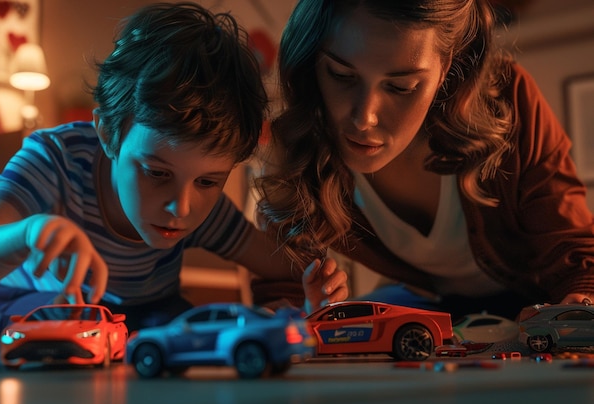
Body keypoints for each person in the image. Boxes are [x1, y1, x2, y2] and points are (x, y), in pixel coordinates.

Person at [0, 2, 347, 351]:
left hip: (148, 319)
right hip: (39, 311)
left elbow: (292, 268)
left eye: (208, 181)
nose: (180, 207)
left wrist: (323, 288)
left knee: (194, 334)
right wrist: (27, 234)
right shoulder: (53, 162)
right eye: (156, 172)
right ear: (107, 134)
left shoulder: (203, 210)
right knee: (63, 324)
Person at [253, 0, 594, 320]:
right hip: (427, 305)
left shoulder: (509, 102)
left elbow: (574, 258)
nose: (364, 119)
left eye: (402, 86)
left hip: (534, 300)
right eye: (342, 76)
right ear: (312, 62)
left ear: (447, 67)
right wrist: (292, 312)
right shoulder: (295, 143)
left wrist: (577, 309)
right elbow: (284, 281)